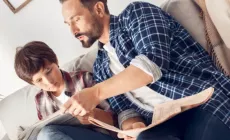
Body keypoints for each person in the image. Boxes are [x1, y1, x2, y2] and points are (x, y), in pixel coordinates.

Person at [60, 0, 230, 140]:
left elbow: (151, 65)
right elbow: (126, 110)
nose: (73, 31)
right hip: (161, 122)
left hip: (198, 101)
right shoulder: (100, 66)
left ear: (98, 8)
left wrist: (95, 93)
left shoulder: (136, 13)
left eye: (76, 19)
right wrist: (132, 127)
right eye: (68, 24)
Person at [14, 41, 117, 140]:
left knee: (47, 134)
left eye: (49, 71)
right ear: (33, 84)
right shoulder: (40, 100)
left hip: (101, 135)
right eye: (39, 80)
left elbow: (115, 120)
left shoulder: (83, 79)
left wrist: (93, 114)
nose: (48, 81)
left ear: (56, 61)